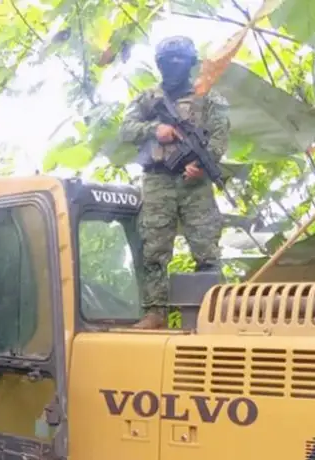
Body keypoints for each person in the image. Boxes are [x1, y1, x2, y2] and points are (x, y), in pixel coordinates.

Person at [119, 35, 231, 330]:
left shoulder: (208, 98)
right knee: (153, 247)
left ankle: (212, 313)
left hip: (195, 184)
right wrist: (156, 129)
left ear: (191, 63)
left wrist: (203, 168)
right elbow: (126, 130)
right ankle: (156, 313)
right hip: (158, 180)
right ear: (159, 64)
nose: (174, 66)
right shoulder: (148, 99)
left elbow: (219, 138)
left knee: (206, 249)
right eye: (168, 61)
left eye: (180, 60)